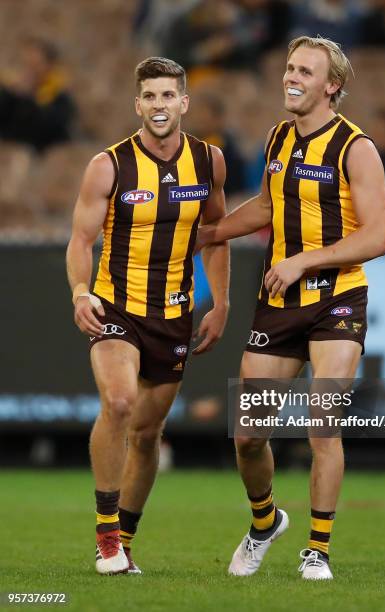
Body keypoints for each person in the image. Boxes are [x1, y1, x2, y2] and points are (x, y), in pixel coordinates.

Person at [197, 36, 385, 580]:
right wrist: (207, 233)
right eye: (289, 67)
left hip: (336, 300)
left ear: (332, 86)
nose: (292, 77)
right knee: (248, 435)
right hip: (278, 302)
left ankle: (318, 550)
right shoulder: (280, 136)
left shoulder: (357, 148)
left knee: (322, 426)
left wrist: (306, 260)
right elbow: (266, 204)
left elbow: (378, 236)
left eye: (305, 70)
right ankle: (265, 522)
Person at [66, 57, 229, 575]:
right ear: (138, 105)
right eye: (150, 97)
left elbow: (217, 234)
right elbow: (81, 240)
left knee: (147, 432)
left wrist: (220, 302)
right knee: (118, 403)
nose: (159, 106)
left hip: (176, 315)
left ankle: (126, 541)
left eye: (168, 96)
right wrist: (79, 292)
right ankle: (107, 539)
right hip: (117, 307)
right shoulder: (108, 165)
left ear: (184, 102)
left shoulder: (209, 162)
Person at [0, 37, 76, 152]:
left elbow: (51, 129)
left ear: (50, 66)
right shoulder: (10, 94)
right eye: (26, 64)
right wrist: (12, 94)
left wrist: (27, 98)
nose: (30, 70)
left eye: (36, 64)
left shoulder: (60, 96)